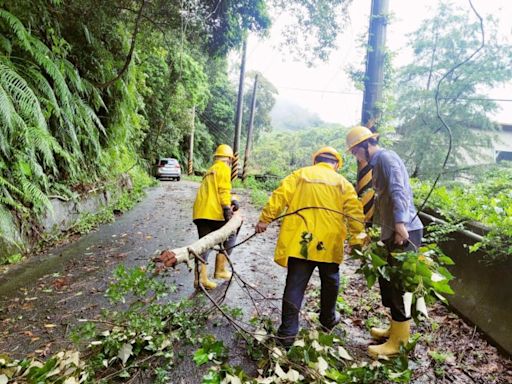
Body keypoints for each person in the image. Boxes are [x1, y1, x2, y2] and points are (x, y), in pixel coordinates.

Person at [255, 147, 365, 347]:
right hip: (329, 244)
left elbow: (279, 196)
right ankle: (327, 319)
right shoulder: (343, 183)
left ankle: (288, 333)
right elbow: (355, 213)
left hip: (301, 243)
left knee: (295, 285)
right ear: (336, 165)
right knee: (330, 282)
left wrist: (265, 219)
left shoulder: (300, 175)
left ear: (316, 161)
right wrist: (357, 241)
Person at [346, 125, 424, 359]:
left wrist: (400, 224)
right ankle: (395, 329)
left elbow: (399, 190)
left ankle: (399, 342)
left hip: (404, 230)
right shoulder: (376, 163)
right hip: (392, 231)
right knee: (388, 282)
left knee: (398, 285)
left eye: (355, 152)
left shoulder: (386, 158)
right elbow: (382, 202)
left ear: (365, 146)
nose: (355, 157)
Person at [192, 144, 239, 290]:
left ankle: (200, 280)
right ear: (230, 160)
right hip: (213, 213)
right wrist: (226, 208)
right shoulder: (224, 168)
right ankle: (220, 270)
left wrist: (232, 200)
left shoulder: (210, 170)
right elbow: (223, 189)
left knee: (204, 245)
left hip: (201, 213)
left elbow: (213, 190)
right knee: (231, 234)